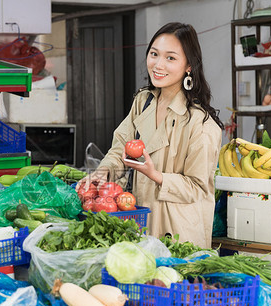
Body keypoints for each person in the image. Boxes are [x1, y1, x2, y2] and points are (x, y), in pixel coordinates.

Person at [77, 22, 223, 248]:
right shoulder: (143, 102)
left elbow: (197, 188)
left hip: (177, 234)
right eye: (154, 54)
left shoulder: (200, 124)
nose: (158, 64)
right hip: (138, 222)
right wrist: (104, 171)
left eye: (171, 58)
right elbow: (120, 147)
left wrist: (157, 175)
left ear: (189, 66)